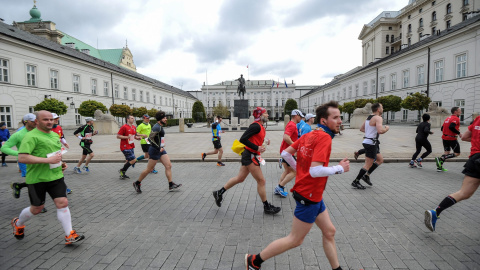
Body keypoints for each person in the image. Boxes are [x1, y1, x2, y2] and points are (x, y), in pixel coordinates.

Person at [245, 101, 349, 270]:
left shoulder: (310, 135)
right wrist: (339, 169)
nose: (340, 121)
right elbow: (315, 171)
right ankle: (254, 260)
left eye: (340, 117)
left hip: (313, 194)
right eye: (335, 117)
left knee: (329, 231)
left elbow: (286, 153)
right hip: (308, 196)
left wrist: (300, 170)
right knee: (295, 239)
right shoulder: (324, 138)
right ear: (323, 121)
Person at [11, 110, 84, 244]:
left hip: (56, 176)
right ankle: (18, 223)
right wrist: (47, 161)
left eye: (51, 119)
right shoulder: (31, 136)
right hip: (37, 179)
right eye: (45, 119)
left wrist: (61, 163)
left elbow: (54, 154)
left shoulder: (54, 135)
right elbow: (22, 157)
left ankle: (69, 235)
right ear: (37, 122)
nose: (49, 122)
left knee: (63, 203)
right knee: (37, 209)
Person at [212, 107, 281, 214]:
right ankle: (266, 206)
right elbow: (243, 139)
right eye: (266, 113)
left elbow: (255, 139)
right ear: (260, 115)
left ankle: (219, 193)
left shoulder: (261, 126)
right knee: (261, 181)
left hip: (249, 154)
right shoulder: (255, 126)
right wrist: (257, 148)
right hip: (250, 156)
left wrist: (265, 141)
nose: (267, 115)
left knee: (240, 178)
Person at [425, 115, 480, 232]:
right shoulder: (455, 119)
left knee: (464, 192)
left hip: (475, 158)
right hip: (453, 141)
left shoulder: (478, 119)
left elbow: (465, 137)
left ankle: (436, 211)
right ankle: (441, 160)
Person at [133, 111, 182, 193]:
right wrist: (158, 147)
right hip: (155, 150)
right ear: (160, 119)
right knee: (149, 169)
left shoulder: (160, 126)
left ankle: (171, 185)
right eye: (164, 118)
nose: (166, 119)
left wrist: (161, 147)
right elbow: (150, 139)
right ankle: (137, 183)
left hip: (161, 149)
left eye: (166, 118)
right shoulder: (156, 127)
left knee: (168, 166)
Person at [351, 103, 389, 189]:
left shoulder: (369, 117)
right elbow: (380, 131)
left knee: (380, 160)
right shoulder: (378, 118)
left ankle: (367, 176)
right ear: (378, 109)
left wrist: (370, 132)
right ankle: (356, 181)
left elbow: (362, 129)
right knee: (368, 164)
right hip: (371, 143)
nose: (383, 108)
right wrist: (386, 128)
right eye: (382, 107)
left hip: (370, 141)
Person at [1, 114, 39, 199]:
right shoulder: (19, 133)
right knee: (33, 183)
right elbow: (4, 148)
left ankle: (18, 186)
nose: (36, 122)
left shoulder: (39, 131)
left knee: (39, 181)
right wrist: (19, 154)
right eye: (33, 121)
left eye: (36, 120)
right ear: (26, 122)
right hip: (25, 162)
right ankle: (36, 203)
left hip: (38, 160)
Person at [275, 109, 304, 198]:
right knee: (295, 171)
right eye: (300, 116)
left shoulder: (292, 125)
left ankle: (278, 188)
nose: (301, 118)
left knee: (288, 171)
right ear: (296, 116)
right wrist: (295, 147)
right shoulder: (292, 125)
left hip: (286, 151)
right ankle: (280, 187)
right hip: (287, 152)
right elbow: (286, 137)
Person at [435, 107, 463, 172]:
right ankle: (442, 158)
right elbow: (451, 127)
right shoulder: (456, 118)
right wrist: (459, 133)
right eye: (460, 111)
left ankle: (439, 167)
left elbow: (442, 128)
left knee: (446, 152)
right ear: (455, 112)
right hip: (452, 138)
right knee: (457, 153)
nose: (461, 112)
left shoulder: (447, 118)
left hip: (444, 138)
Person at [117, 115, 141, 179]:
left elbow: (134, 136)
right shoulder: (124, 127)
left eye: (133, 118)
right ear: (128, 119)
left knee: (128, 160)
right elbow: (118, 136)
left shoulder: (133, 127)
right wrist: (127, 137)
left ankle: (122, 172)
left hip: (131, 145)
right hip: (125, 146)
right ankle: (122, 170)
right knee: (133, 160)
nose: (133, 119)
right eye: (132, 118)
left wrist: (137, 138)